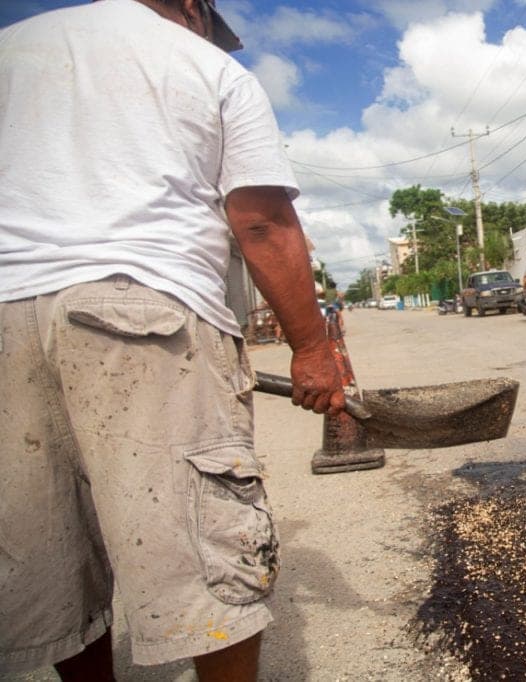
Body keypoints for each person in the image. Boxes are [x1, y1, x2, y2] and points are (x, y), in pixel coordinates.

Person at [0, 1, 347, 679]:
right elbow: (262, 221)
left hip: (3, 314)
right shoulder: (206, 65)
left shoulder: (12, 47)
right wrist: (313, 350)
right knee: (201, 556)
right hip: (142, 311)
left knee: (50, 553)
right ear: (193, 9)